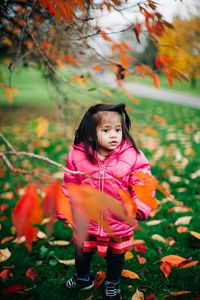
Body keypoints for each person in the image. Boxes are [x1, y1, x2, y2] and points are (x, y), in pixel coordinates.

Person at [60, 103, 153, 299]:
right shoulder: (77, 156)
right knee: (82, 251)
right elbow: (70, 184)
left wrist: (140, 206)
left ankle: (112, 282)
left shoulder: (132, 155)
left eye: (118, 130)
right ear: (91, 134)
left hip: (118, 221)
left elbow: (143, 184)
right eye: (106, 130)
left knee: (116, 255)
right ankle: (83, 278)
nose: (114, 135)